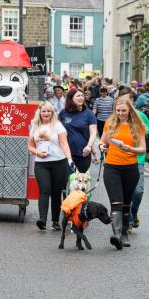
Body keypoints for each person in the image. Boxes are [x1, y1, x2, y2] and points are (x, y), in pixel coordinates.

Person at [99, 98, 146, 249]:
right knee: (116, 202)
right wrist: (102, 147)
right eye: (118, 111)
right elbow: (102, 142)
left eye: (123, 111)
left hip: (131, 169)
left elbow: (143, 149)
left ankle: (124, 232)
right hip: (112, 168)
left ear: (130, 111)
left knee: (126, 203)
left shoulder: (137, 126)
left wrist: (130, 149)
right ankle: (117, 235)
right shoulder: (110, 123)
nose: (120, 113)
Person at [117, 87, 149, 231]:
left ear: (132, 101)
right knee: (124, 192)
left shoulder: (140, 116)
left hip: (138, 159)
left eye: (127, 100)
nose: (124, 104)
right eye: (121, 101)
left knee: (138, 191)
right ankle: (128, 221)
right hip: (119, 159)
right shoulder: (115, 117)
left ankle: (133, 213)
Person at [28, 101, 74, 232]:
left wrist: (69, 159)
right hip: (41, 163)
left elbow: (64, 144)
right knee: (44, 190)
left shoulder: (58, 126)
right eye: (44, 111)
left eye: (49, 111)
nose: (46, 113)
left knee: (56, 193)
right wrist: (37, 152)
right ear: (40, 112)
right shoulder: (35, 125)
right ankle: (42, 220)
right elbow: (30, 146)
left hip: (59, 162)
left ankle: (55, 221)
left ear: (52, 113)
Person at [59, 88, 97, 173]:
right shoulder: (63, 113)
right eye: (78, 96)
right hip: (66, 153)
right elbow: (57, 131)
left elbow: (93, 133)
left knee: (81, 182)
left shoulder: (89, 113)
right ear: (71, 98)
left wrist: (89, 146)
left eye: (82, 96)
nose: (81, 98)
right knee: (69, 179)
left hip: (83, 153)